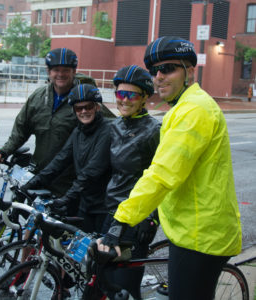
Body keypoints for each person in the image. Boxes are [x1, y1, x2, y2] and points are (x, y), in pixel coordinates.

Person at [98, 36, 242, 300]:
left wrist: (121, 220)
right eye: (155, 70)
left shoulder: (194, 110)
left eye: (168, 68)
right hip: (194, 231)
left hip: (201, 237)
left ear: (190, 71)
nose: (159, 76)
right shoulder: (184, 106)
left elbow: (162, 173)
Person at [0, 48, 114, 197]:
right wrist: (4, 151)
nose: (60, 74)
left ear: (74, 71)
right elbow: (21, 130)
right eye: (56, 70)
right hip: (40, 174)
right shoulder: (38, 97)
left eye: (66, 70)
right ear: (48, 72)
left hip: (70, 182)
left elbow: (111, 125)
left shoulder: (85, 98)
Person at [100, 65, 161, 300]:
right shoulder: (115, 126)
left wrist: (151, 217)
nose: (124, 100)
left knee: (126, 287)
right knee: (104, 281)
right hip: (112, 213)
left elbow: (161, 178)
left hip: (137, 219)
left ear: (145, 97)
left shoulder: (155, 130)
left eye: (131, 95)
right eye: (119, 94)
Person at [23, 83, 111, 233]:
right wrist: (32, 183)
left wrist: (67, 197)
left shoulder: (107, 131)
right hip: (85, 204)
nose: (83, 111)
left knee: (101, 252)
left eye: (88, 107)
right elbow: (61, 159)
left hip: (104, 207)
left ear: (97, 107)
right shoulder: (78, 131)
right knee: (80, 252)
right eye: (78, 108)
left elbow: (92, 170)